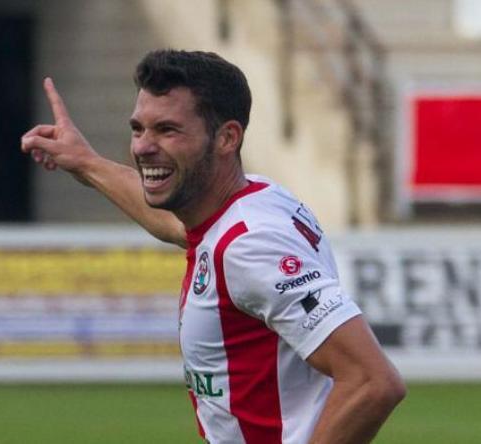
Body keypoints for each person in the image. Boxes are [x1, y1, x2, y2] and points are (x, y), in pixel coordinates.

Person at [21, 49, 405, 443]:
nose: (142, 147)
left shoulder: (249, 245)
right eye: (139, 129)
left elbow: (372, 381)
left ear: (226, 137)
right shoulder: (252, 200)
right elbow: (171, 222)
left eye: (167, 130)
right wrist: (85, 162)